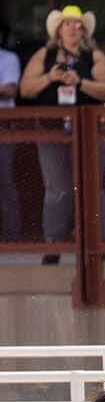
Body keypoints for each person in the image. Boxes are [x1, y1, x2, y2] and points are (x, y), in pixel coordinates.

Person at [19, 6, 105, 266]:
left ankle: (100, 245)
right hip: (52, 131)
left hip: (88, 131)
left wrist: (80, 82)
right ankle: (54, 245)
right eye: (68, 24)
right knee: (57, 189)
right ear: (58, 30)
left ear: (84, 30)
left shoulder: (93, 56)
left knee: (93, 187)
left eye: (78, 24)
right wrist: (50, 77)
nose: (73, 28)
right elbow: (25, 89)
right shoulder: (44, 55)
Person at [0, 20, 19, 241]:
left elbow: (10, 89)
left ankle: (13, 237)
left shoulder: (8, 58)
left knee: (4, 181)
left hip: (3, 127)